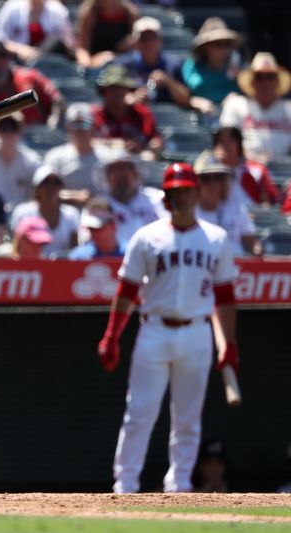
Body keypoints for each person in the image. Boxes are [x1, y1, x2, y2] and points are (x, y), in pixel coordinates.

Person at [97, 162, 240, 494]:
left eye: (186, 190)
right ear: (166, 196)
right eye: (175, 191)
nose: (181, 197)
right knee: (140, 412)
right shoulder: (147, 236)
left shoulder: (216, 238)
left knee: (187, 419)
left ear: (196, 192)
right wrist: (112, 335)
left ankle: (179, 486)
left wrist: (229, 343)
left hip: (197, 332)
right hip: (155, 330)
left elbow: (226, 297)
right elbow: (127, 291)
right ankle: (126, 485)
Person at [0, 38, 64, 128]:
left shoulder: (29, 77)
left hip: (39, 138)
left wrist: (53, 122)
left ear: (8, 57)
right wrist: (7, 120)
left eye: (1, 55)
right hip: (7, 139)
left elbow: (57, 100)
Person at [219, 52, 291, 164]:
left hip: (286, 172)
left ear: (277, 81)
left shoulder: (289, 109)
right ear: (251, 81)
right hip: (245, 169)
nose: (264, 82)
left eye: (270, 77)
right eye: (259, 77)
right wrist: (251, 158)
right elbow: (225, 140)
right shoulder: (236, 105)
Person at [44, 103, 111, 205]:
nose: (80, 129)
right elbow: (45, 190)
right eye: (75, 124)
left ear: (93, 126)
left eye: (85, 123)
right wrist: (74, 196)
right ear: (68, 127)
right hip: (65, 215)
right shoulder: (55, 157)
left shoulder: (108, 157)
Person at [194, 156, 260, 257]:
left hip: (237, 265)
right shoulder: (190, 212)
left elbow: (251, 242)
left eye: (218, 178)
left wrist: (257, 250)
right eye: (206, 179)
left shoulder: (236, 207)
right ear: (196, 183)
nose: (213, 184)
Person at [116, 16, 190, 107]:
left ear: (160, 41)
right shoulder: (122, 65)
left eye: (152, 38)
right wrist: (131, 97)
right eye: (143, 38)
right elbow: (111, 95)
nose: (149, 43)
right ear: (135, 42)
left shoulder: (172, 65)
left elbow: (186, 100)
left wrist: (168, 82)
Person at [91, 64, 162, 157]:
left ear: (127, 90)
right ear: (103, 91)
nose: (116, 93)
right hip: (102, 162)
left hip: (135, 163)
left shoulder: (142, 114)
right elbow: (84, 143)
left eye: (120, 88)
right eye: (112, 89)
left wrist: (155, 145)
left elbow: (155, 140)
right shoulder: (93, 115)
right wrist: (115, 144)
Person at [9, 166, 79, 258]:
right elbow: (17, 247)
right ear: (37, 188)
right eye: (46, 183)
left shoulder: (71, 214)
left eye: (56, 183)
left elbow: (75, 248)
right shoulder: (23, 212)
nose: (51, 188)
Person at [99, 151, 165, 246]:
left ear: (136, 174)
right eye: (115, 170)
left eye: (125, 169)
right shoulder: (98, 204)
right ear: (107, 177)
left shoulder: (156, 198)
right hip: (114, 259)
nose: (120, 174)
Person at [0, 114, 42, 209]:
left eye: (13, 128)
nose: (8, 133)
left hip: (23, 215)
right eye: (4, 128)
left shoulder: (32, 161)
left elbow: (37, 194)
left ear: (20, 132)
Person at [179, 18, 241, 115]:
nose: (224, 49)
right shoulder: (190, 66)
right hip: (197, 120)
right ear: (205, 47)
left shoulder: (240, 69)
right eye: (218, 44)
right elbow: (182, 95)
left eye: (227, 44)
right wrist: (195, 102)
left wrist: (235, 99)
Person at [207, 126, 279, 207]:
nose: (226, 145)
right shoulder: (207, 172)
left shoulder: (256, 171)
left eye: (230, 140)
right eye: (221, 141)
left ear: (239, 145)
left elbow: (267, 203)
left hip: (250, 216)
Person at [0, 0, 75, 64]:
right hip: (17, 63)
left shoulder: (58, 11)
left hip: (48, 66)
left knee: (55, 43)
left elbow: (69, 44)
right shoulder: (11, 7)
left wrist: (40, 55)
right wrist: (20, 49)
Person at [75, 0, 139, 69]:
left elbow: (139, 46)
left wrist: (131, 42)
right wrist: (88, 66)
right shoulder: (89, 13)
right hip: (96, 66)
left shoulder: (130, 14)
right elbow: (82, 48)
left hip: (124, 65)